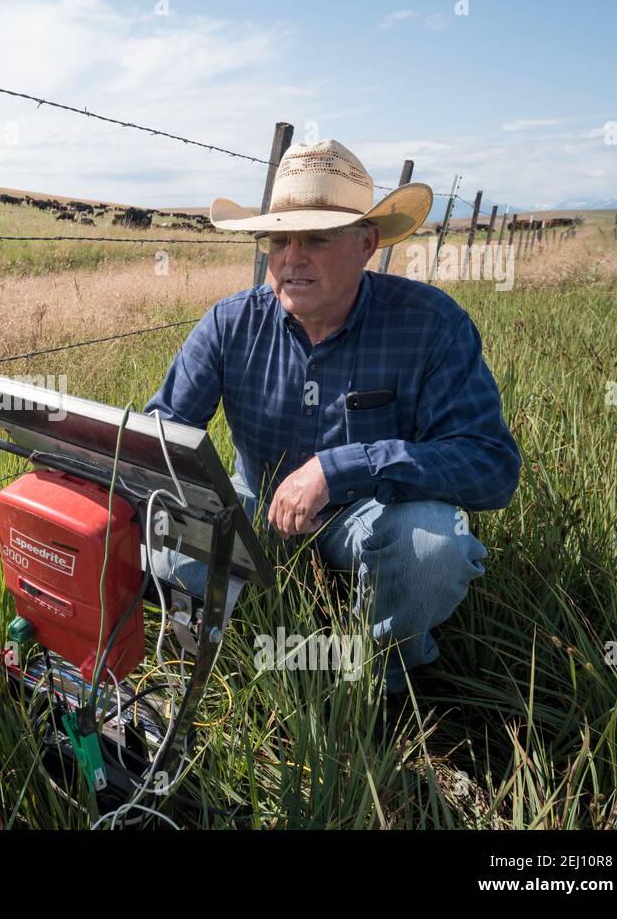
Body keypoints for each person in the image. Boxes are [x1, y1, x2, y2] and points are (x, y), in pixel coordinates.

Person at [144, 139, 521, 694]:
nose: (292, 257)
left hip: (370, 516)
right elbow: (164, 435)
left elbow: (490, 465)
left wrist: (340, 469)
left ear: (366, 243)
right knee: (157, 526)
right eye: (278, 238)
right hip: (254, 510)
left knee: (435, 548)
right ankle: (206, 673)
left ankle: (377, 678)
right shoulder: (230, 324)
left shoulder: (431, 325)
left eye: (316, 238)